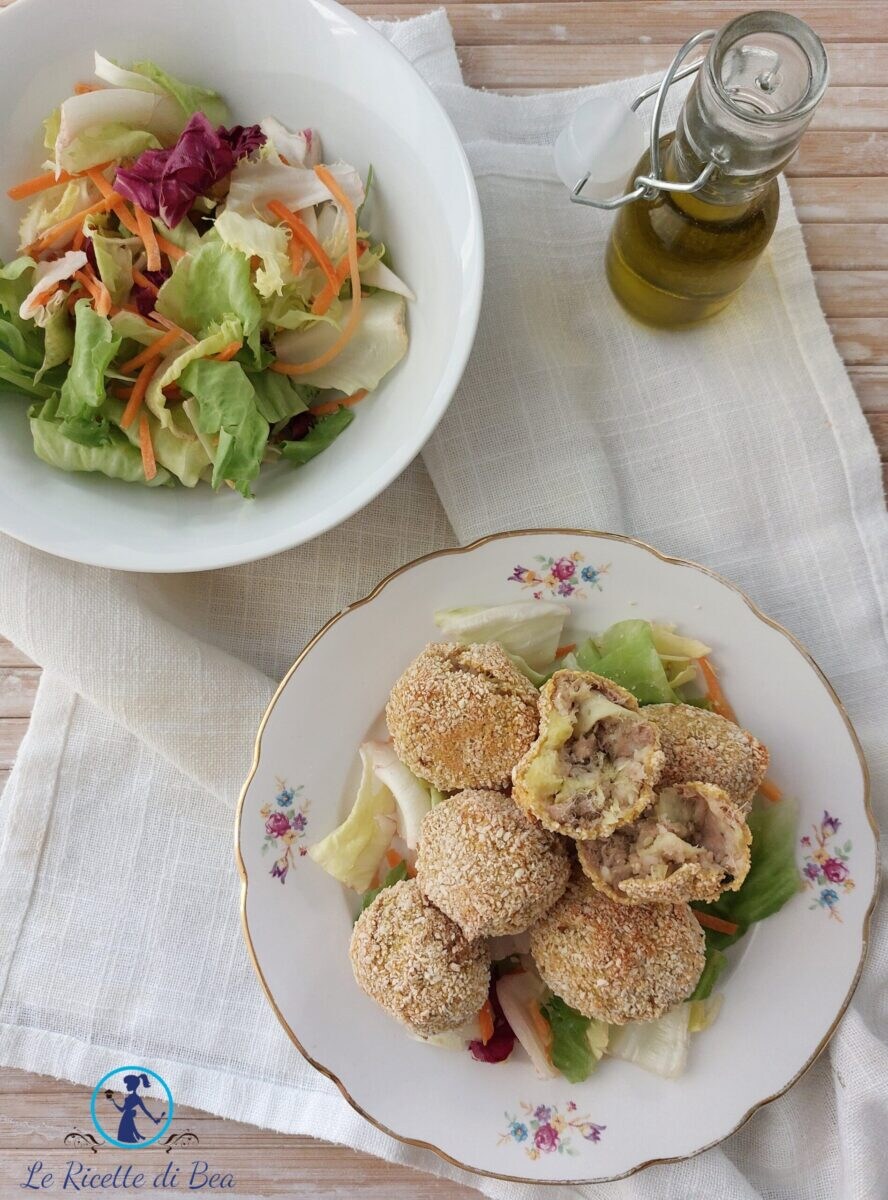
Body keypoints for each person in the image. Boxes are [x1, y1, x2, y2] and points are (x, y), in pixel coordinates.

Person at [106, 1073, 165, 1143]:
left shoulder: (136, 1098)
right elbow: (122, 1110)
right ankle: (138, 1137)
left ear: (132, 1085)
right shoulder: (129, 1097)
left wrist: (153, 1119)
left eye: (128, 1084)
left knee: (127, 1138)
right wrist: (113, 1102)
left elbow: (145, 1110)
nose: (126, 1086)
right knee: (126, 1137)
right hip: (126, 1117)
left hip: (127, 1117)